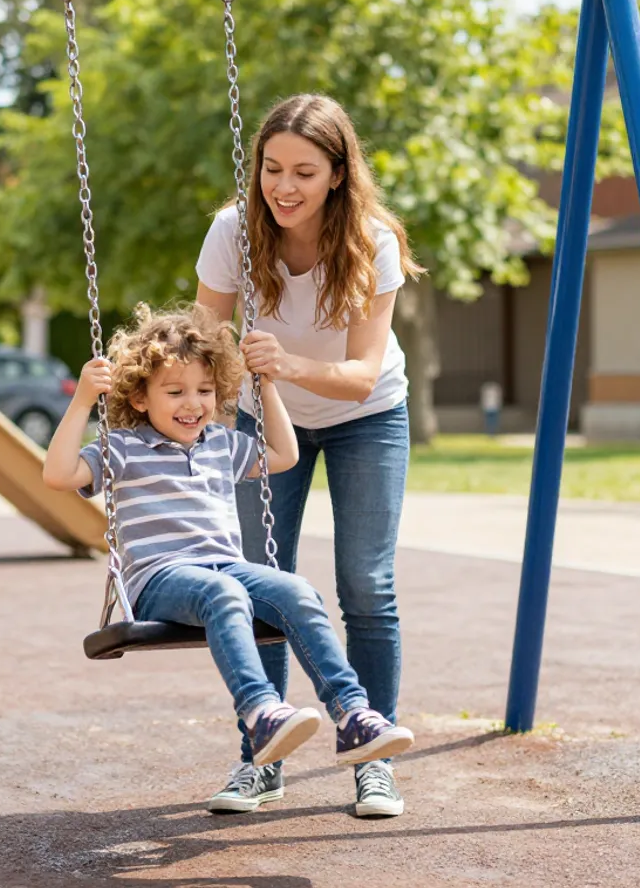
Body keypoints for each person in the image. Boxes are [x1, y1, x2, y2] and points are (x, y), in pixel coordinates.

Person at [42, 303, 416, 788]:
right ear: (139, 398)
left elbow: (284, 454)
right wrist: (81, 402)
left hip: (223, 568)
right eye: (174, 392)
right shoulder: (123, 449)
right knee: (225, 595)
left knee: (297, 591)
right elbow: (57, 475)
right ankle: (261, 711)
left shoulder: (221, 443)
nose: (191, 404)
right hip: (160, 578)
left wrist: (268, 386)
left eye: (204, 390)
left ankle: (353, 716)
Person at [196, 94, 425, 818]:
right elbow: (206, 339)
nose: (283, 187)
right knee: (260, 584)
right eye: (271, 169)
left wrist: (286, 364)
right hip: (265, 419)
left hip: (368, 416)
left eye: (303, 171)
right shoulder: (233, 232)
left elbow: (360, 376)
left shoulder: (370, 240)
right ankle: (260, 760)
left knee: (366, 585)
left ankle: (372, 760)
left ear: (337, 173)